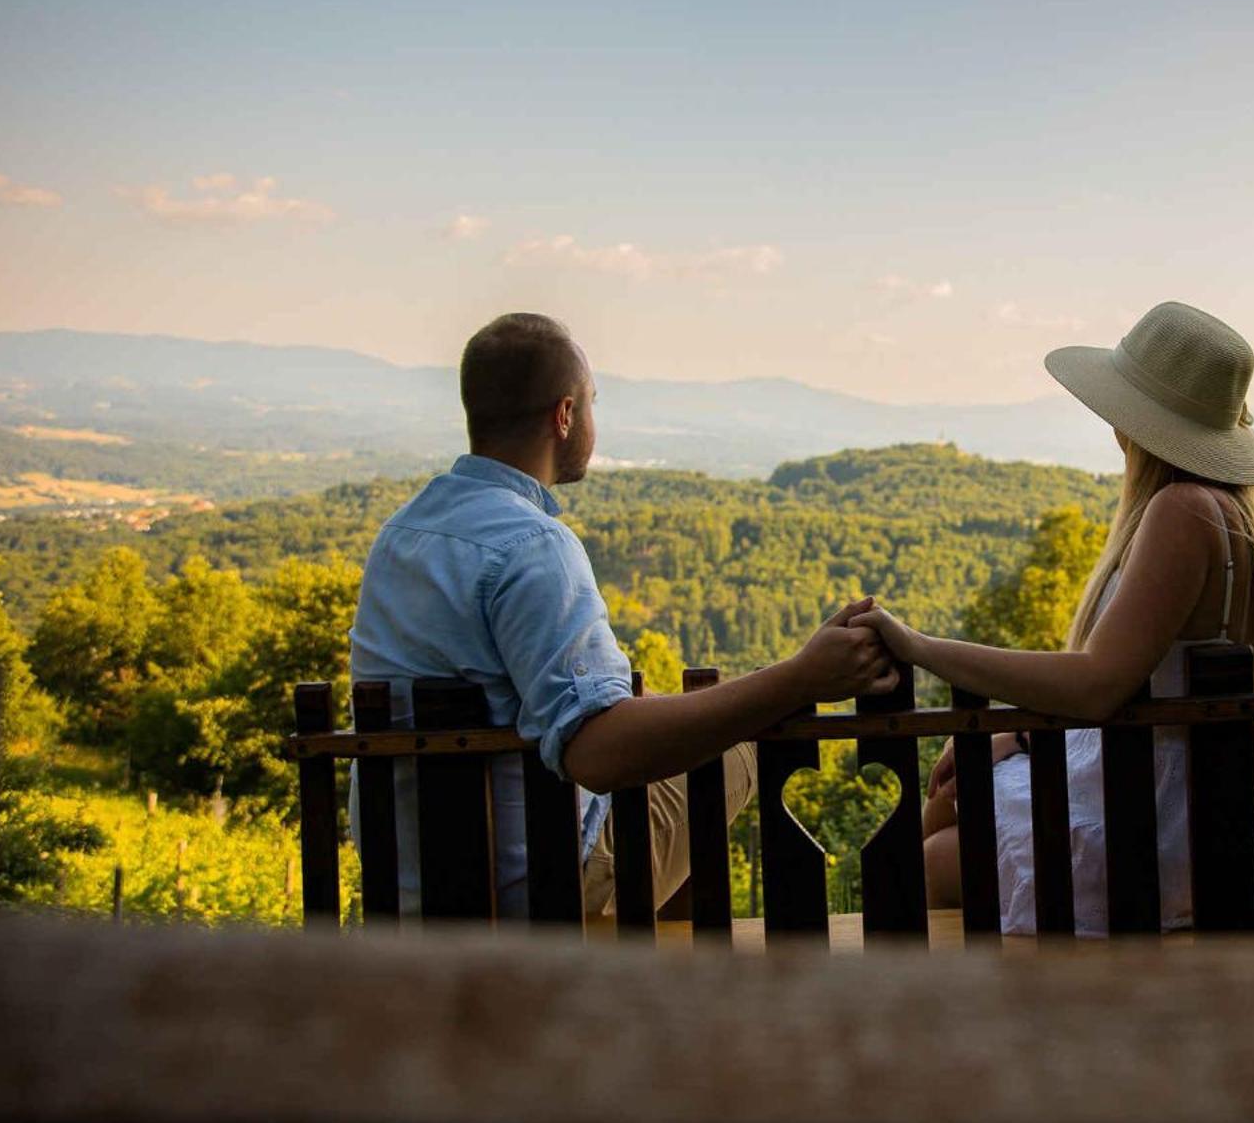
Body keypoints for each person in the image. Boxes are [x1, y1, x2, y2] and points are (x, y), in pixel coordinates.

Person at [349, 312, 897, 918]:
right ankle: (635, 972)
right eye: (590, 404)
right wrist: (802, 678)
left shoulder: (401, 534)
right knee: (732, 752)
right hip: (536, 891)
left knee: (673, 739)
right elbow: (598, 754)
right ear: (563, 416)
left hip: (412, 893)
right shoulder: (532, 545)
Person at [857, 301, 1254, 934]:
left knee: (918, 861)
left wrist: (920, 646)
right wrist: (1014, 737)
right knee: (946, 801)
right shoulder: (1246, 519)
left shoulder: (1182, 509)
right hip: (1205, 828)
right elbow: (1140, 684)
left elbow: (1097, 683)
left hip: (1155, 843)